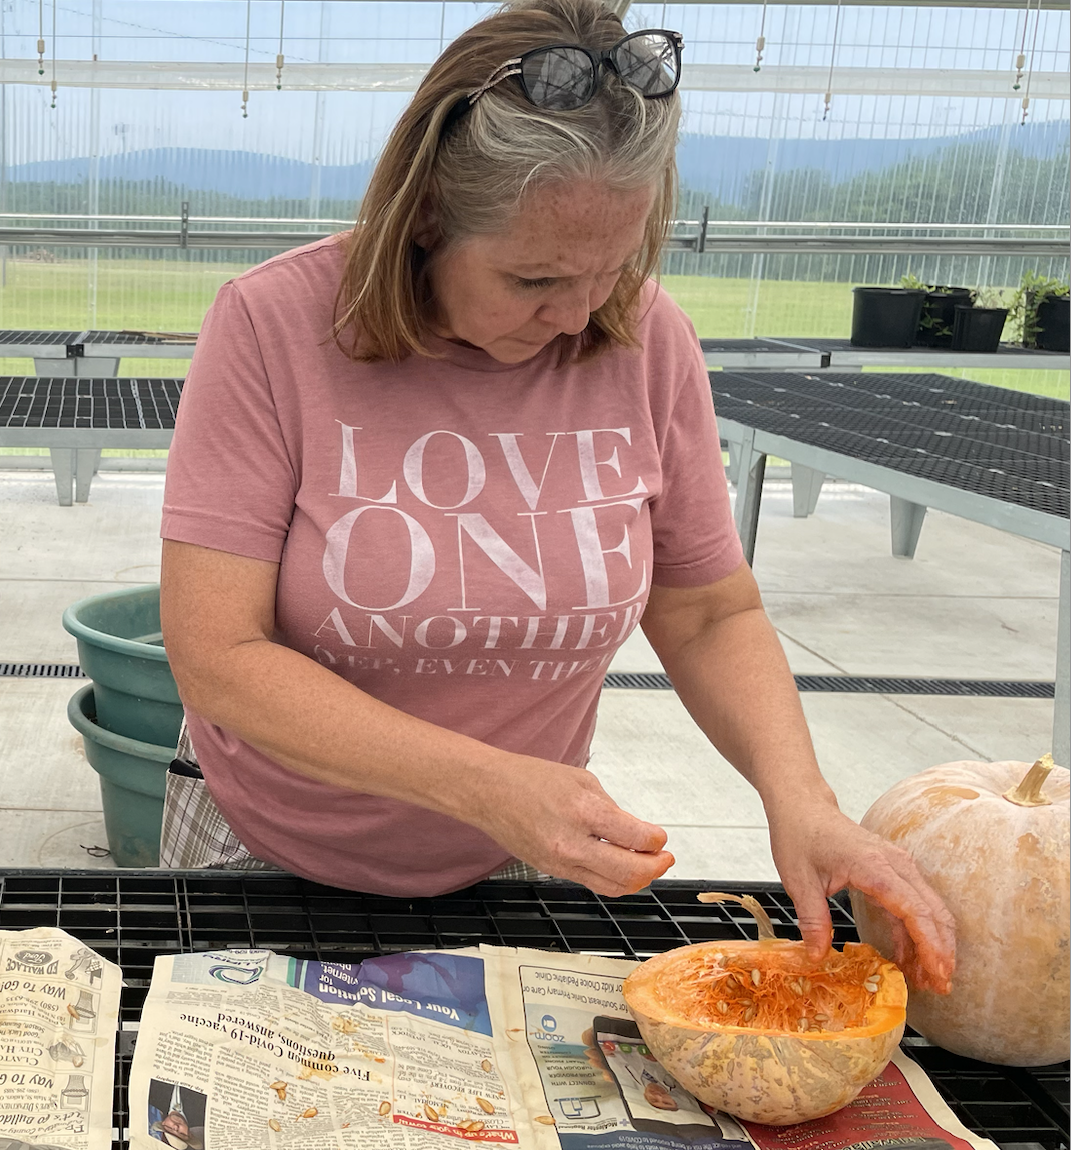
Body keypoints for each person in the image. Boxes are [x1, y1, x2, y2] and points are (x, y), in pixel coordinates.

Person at [157, 0, 954, 990]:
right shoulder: (273, 326)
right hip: (264, 846)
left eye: (612, 267)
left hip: (512, 855)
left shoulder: (647, 340)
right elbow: (218, 656)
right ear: (427, 219)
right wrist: (488, 784)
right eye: (533, 276)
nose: (578, 314)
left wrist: (799, 796)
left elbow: (707, 610)